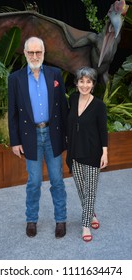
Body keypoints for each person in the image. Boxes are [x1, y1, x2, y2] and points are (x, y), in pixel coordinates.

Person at [8, 36, 68, 238]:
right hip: (30, 136)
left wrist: (67, 136)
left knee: (57, 180)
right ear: (25, 53)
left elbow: (64, 109)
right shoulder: (15, 79)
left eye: (38, 52)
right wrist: (15, 141)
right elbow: (13, 112)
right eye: (31, 52)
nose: (35, 56)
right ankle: (31, 220)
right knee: (33, 182)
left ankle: (60, 220)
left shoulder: (55, 74)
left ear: (43, 53)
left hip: (53, 135)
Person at [66, 66, 108, 242]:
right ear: (76, 84)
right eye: (81, 81)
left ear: (93, 84)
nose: (84, 85)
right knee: (81, 189)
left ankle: (85, 225)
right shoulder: (73, 99)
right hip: (75, 151)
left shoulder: (99, 105)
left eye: (88, 81)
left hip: (92, 152)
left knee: (90, 191)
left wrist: (105, 152)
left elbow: (103, 130)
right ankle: (92, 213)